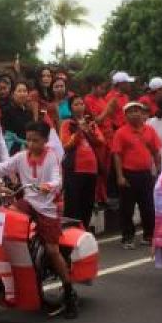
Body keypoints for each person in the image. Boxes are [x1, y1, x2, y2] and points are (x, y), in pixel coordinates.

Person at [0, 121, 77, 318]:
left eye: (36, 140)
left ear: (45, 140)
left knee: (52, 250)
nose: (31, 144)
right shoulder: (20, 157)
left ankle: (69, 294)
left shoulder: (52, 156)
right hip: (28, 202)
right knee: (8, 219)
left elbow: (57, 179)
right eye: (28, 139)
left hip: (48, 207)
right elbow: (3, 167)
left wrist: (49, 185)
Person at [111, 102, 162, 250]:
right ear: (125, 115)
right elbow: (117, 156)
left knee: (148, 206)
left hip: (145, 174)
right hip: (128, 174)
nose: (135, 114)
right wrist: (120, 176)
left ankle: (148, 235)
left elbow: (156, 151)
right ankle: (127, 237)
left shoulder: (150, 131)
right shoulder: (121, 133)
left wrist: (158, 170)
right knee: (127, 208)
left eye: (137, 111)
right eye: (131, 112)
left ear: (142, 113)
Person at [60, 94, 104, 231]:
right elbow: (66, 145)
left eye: (81, 104)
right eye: (76, 104)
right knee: (73, 203)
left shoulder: (91, 123)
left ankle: (83, 230)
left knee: (87, 203)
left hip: (91, 169)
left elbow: (101, 142)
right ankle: (71, 233)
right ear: (71, 108)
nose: (80, 107)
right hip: (74, 169)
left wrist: (89, 131)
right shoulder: (67, 124)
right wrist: (79, 131)